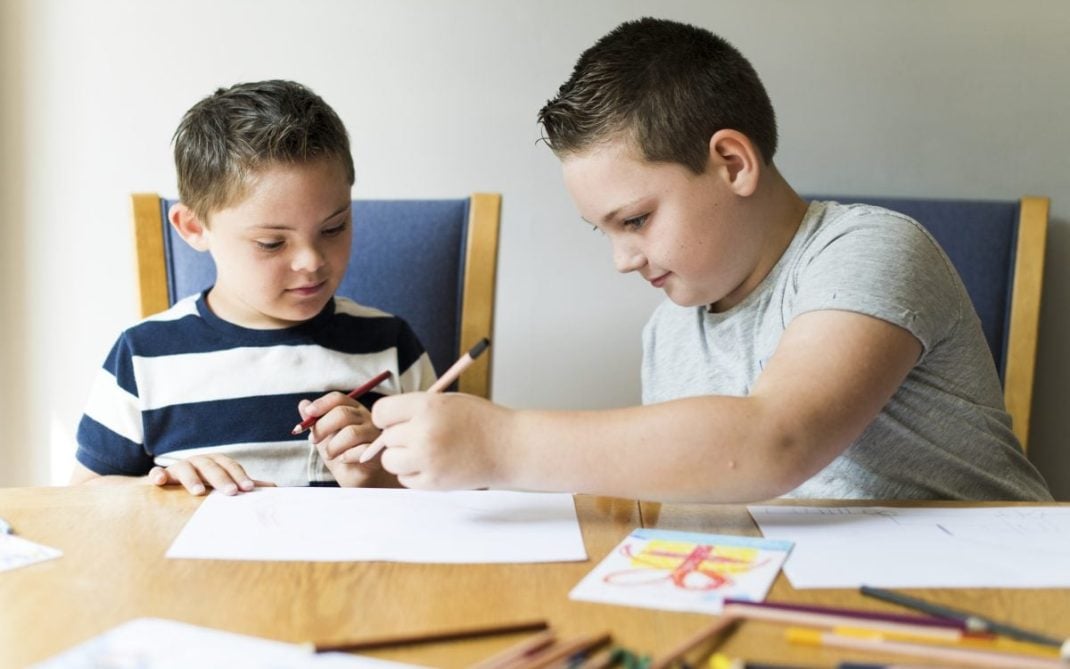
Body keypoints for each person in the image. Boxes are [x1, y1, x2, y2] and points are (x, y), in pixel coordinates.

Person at [345, 18, 1051, 502]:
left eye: (637, 219)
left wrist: (505, 441)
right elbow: (692, 488)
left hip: (989, 600)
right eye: (605, 231)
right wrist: (422, 468)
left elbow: (776, 440)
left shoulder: (870, 249)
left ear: (732, 163)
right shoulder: (669, 331)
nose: (624, 258)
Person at [72, 80, 435, 495]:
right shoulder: (144, 356)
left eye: (334, 228)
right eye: (272, 243)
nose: (312, 261)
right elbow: (85, 496)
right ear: (194, 227)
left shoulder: (391, 345)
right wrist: (162, 489)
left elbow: (460, 496)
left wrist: (383, 478)